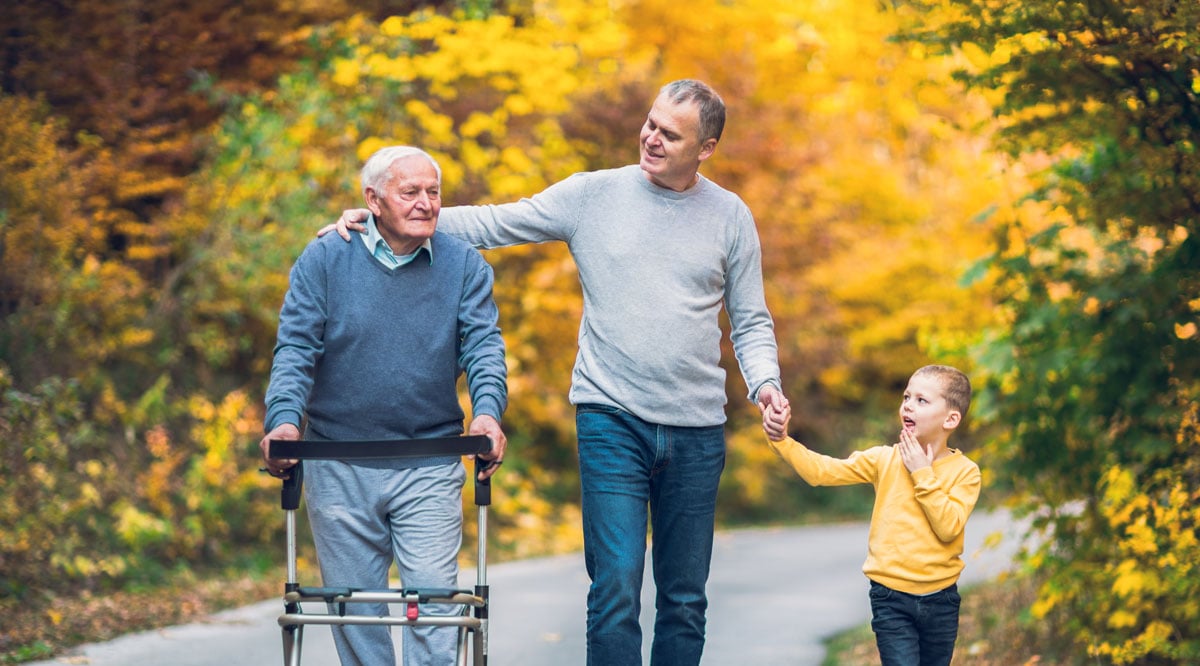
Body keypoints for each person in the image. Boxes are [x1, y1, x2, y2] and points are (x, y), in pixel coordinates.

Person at [321, 80, 788, 665]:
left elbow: (749, 320)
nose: (651, 137)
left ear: (707, 148)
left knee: (684, 597)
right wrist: (386, 218)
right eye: (650, 123)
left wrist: (765, 383)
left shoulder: (730, 216)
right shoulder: (593, 195)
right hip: (610, 417)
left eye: (670, 134)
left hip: (697, 428)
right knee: (615, 586)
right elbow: (497, 223)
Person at [260, 145, 508, 666]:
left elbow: (484, 347)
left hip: (431, 460)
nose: (426, 203)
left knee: (436, 607)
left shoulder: (464, 265)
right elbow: (296, 348)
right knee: (355, 614)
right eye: (410, 191)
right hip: (338, 462)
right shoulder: (326, 258)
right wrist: (283, 422)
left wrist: (487, 412)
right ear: (373, 199)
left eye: (433, 192)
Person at [762, 364, 981, 666]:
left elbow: (948, 527)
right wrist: (782, 442)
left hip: (941, 601)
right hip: (891, 598)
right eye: (906, 397)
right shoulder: (884, 459)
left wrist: (922, 473)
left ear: (951, 418)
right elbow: (823, 472)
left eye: (922, 400)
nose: (908, 405)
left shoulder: (966, 473)